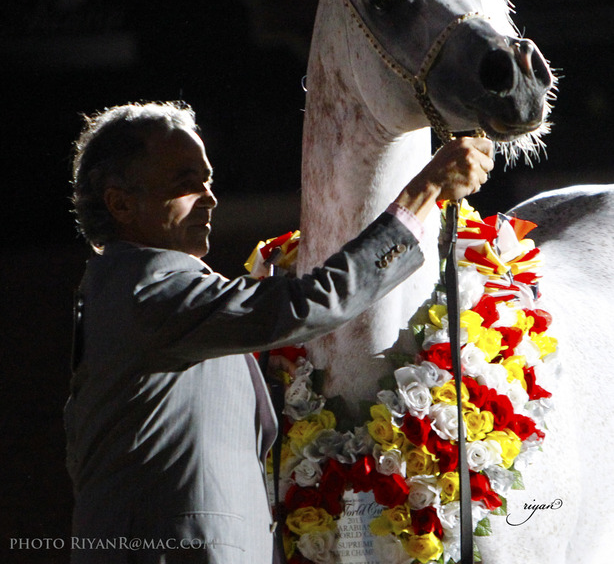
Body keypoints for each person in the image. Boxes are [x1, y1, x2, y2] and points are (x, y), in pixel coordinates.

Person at [64, 101, 494, 563]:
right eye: (185, 183)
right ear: (121, 203)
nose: (208, 196)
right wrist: (425, 190)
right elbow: (314, 300)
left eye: (207, 179)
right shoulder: (143, 289)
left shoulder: (144, 294)